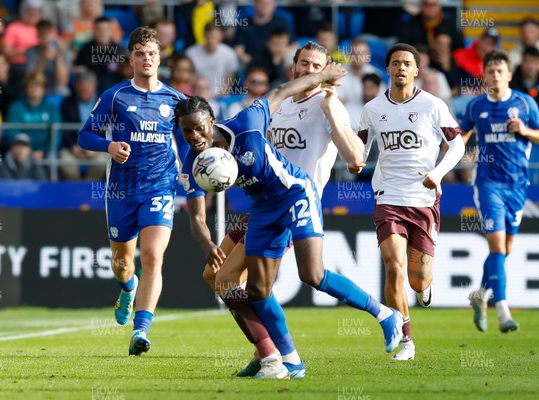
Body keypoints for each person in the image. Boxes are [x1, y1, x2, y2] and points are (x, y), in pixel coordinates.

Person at [177, 61, 403, 378]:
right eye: (187, 131)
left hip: (295, 193)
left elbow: (282, 90)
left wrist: (324, 75)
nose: (194, 136)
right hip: (263, 209)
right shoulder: (192, 161)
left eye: (199, 127)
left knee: (312, 274)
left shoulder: (248, 121)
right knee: (257, 290)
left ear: (211, 120)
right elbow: (197, 215)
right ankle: (291, 360)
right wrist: (206, 245)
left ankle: (384, 314)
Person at [77, 26, 188, 356]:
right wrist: (109, 145)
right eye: (140, 53)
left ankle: (140, 331)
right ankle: (127, 288)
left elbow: (187, 144)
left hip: (160, 187)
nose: (146, 58)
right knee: (122, 264)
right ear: (131, 58)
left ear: (159, 56)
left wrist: (190, 177)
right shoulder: (115, 96)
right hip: (121, 192)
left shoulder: (176, 101)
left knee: (153, 256)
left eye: (152, 53)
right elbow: (85, 136)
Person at [355, 43, 465, 360]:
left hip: (424, 199)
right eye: (396, 63)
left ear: (416, 70)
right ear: (388, 69)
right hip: (388, 196)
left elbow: (456, 145)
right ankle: (406, 340)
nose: (401, 68)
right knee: (394, 267)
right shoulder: (372, 109)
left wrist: (439, 173)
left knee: (417, 282)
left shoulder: (433, 105)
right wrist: (356, 162)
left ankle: (424, 285)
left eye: (407, 63)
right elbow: (359, 149)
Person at [462, 50, 539, 333]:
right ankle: (503, 312)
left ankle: (480, 295)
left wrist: (526, 131)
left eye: (499, 71)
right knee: (496, 246)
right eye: (490, 70)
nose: (494, 75)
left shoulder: (526, 104)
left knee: (504, 250)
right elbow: (462, 136)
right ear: (484, 75)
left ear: (509, 75)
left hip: (517, 186)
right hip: (487, 184)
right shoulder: (476, 107)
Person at [185, 21, 239, 97]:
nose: (211, 41)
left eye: (214, 37)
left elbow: (229, 82)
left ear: (221, 36)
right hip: (196, 95)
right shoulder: (191, 53)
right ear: (204, 35)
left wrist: (213, 96)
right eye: (208, 37)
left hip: (221, 97)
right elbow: (188, 79)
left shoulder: (229, 54)